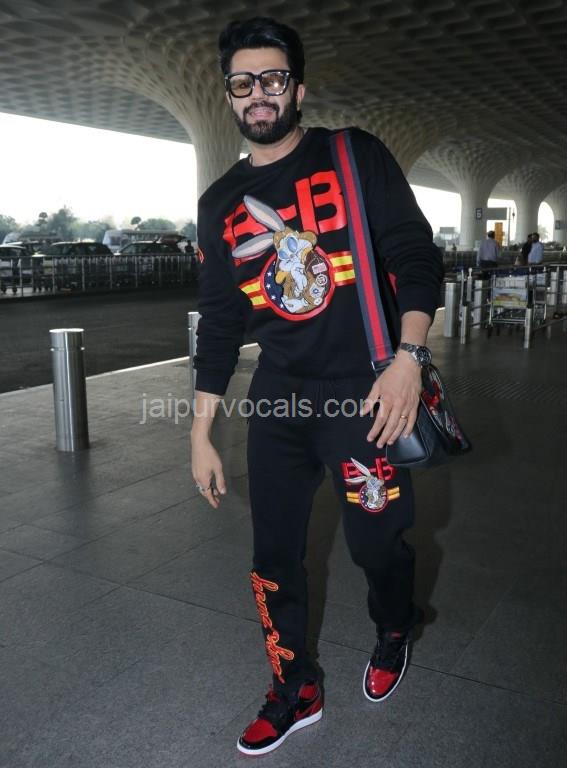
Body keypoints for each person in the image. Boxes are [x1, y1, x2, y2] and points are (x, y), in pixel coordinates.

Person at [190, 17, 443, 757]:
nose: (258, 94)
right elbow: (219, 321)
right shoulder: (221, 204)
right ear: (229, 96)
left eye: (273, 79)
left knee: (377, 544)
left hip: (364, 392)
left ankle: (395, 626)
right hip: (278, 397)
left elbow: (414, 254)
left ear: (296, 90)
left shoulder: (351, 154)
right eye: (243, 82)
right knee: (272, 555)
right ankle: (293, 686)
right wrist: (200, 431)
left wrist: (408, 359)